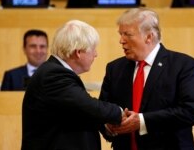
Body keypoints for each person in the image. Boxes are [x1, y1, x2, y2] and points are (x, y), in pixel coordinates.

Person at [99, 8, 194, 150]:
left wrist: (142, 121)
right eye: (120, 34)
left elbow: (190, 111)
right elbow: (103, 110)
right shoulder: (114, 68)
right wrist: (108, 126)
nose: (121, 41)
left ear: (149, 36)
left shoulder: (182, 65)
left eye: (127, 35)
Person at [21, 20, 124, 150]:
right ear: (78, 52)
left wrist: (105, 126)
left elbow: (79, 110)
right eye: (93, 49)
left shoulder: (56, 72)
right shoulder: (53, 74)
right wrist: (120, 112)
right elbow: (88, 105)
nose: (96, 54)